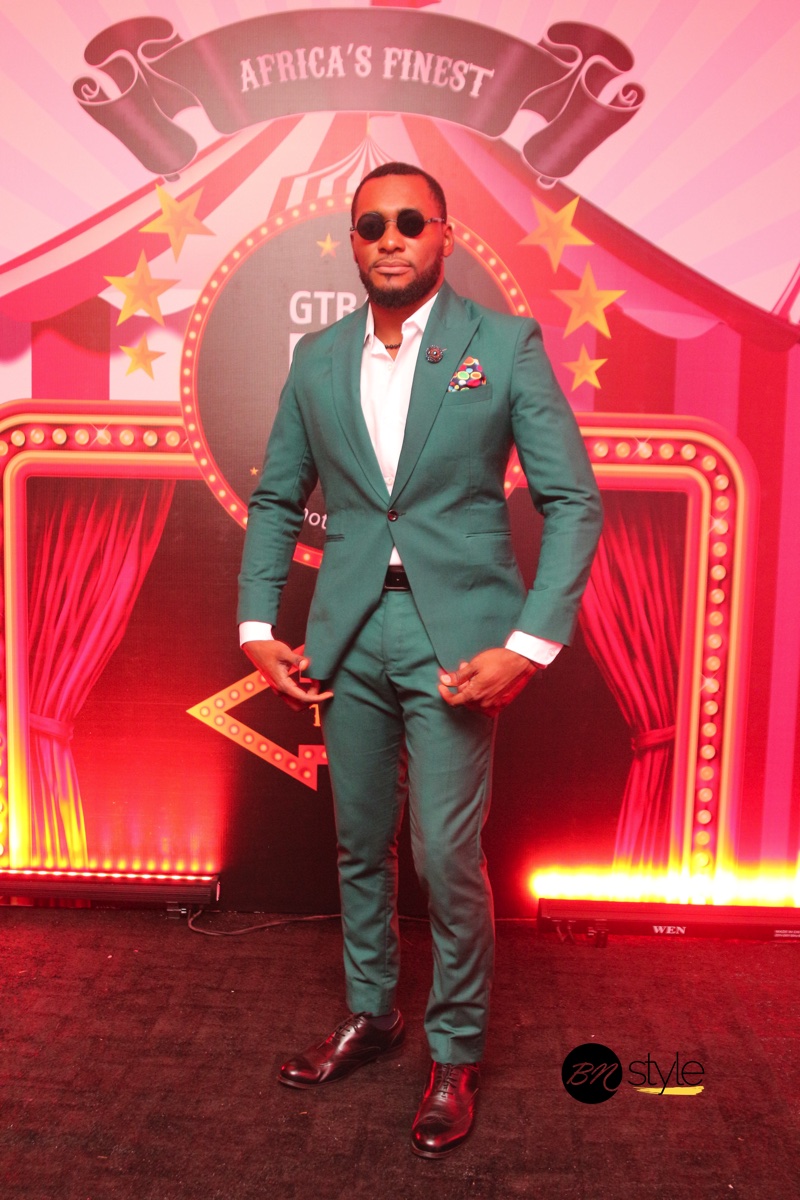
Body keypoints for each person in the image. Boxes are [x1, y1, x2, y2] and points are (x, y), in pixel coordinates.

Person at [238, 162, 602, 1158]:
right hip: (347, 632)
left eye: (409, 221)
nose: (390, 238)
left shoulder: (503, 344)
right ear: (353, 243)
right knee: (360, 843)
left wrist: (526, 646)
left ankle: (455, 1050)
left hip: (461, 638)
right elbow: (276, 498)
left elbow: (572, 501)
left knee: (445, 855)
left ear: (445, 234)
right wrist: (256, 627)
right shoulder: (317, 357)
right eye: (371, 225)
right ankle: (372, 1013)